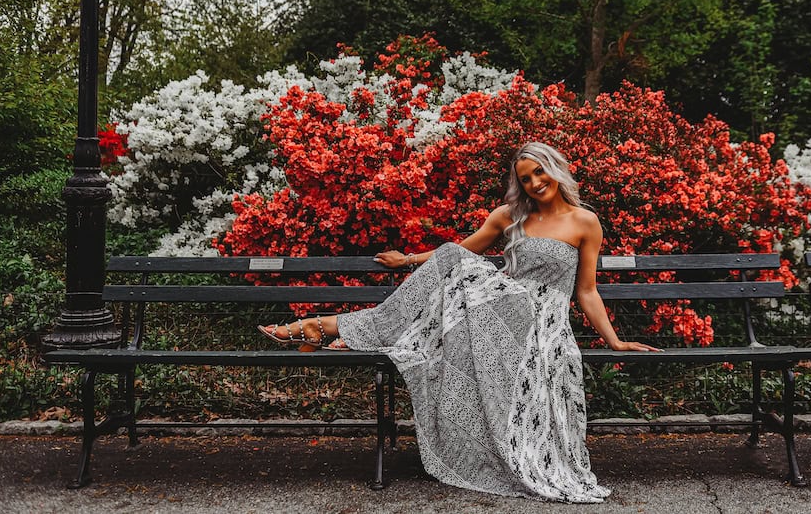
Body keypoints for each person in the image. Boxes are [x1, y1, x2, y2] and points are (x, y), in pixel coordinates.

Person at [258, 142, 659, 502]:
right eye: (526, 178)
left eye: (540, 171)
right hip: (496, 316)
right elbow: (459, 252)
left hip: (543, 325)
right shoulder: (509, 217)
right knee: (455, 261)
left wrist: (615, 341)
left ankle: (330, 328)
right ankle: (334, 327)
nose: (536, 183)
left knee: (455, 283)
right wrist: (409, 260)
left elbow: (585, 291)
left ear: (556, 169)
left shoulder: (585, 222)